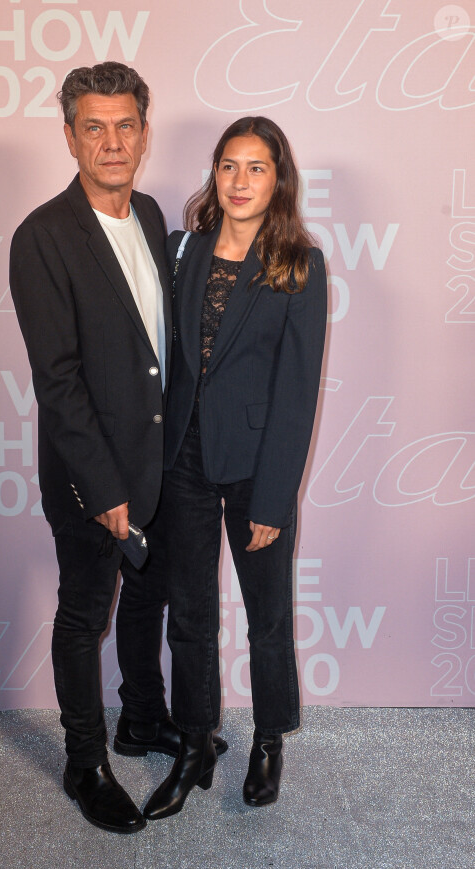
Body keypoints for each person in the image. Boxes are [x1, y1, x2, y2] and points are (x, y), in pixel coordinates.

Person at [9, 62, 227, 836]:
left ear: (145, 131)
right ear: (69, 136)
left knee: (149, 595)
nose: (111, 141)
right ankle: (84, 760)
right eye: (93, 127)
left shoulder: (151, 213)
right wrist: (104, 487)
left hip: (160, 461)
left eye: (125, 124)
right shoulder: (41, 237)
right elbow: (58, 381)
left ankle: (141, 720)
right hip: (88, 475)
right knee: (83, 612)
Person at [143, 117, 327, 821]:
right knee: (189, 612)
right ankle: (194, 742)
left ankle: (270, 740)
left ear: (278, 178)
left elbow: (297, 393)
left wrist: (275, 502)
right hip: (183, 459)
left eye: (256, 167)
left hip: (257, 469)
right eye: (228, 165)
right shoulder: (181, 248)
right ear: (213, 174)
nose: (240, 180)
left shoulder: (299, 264)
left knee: (268, 616)